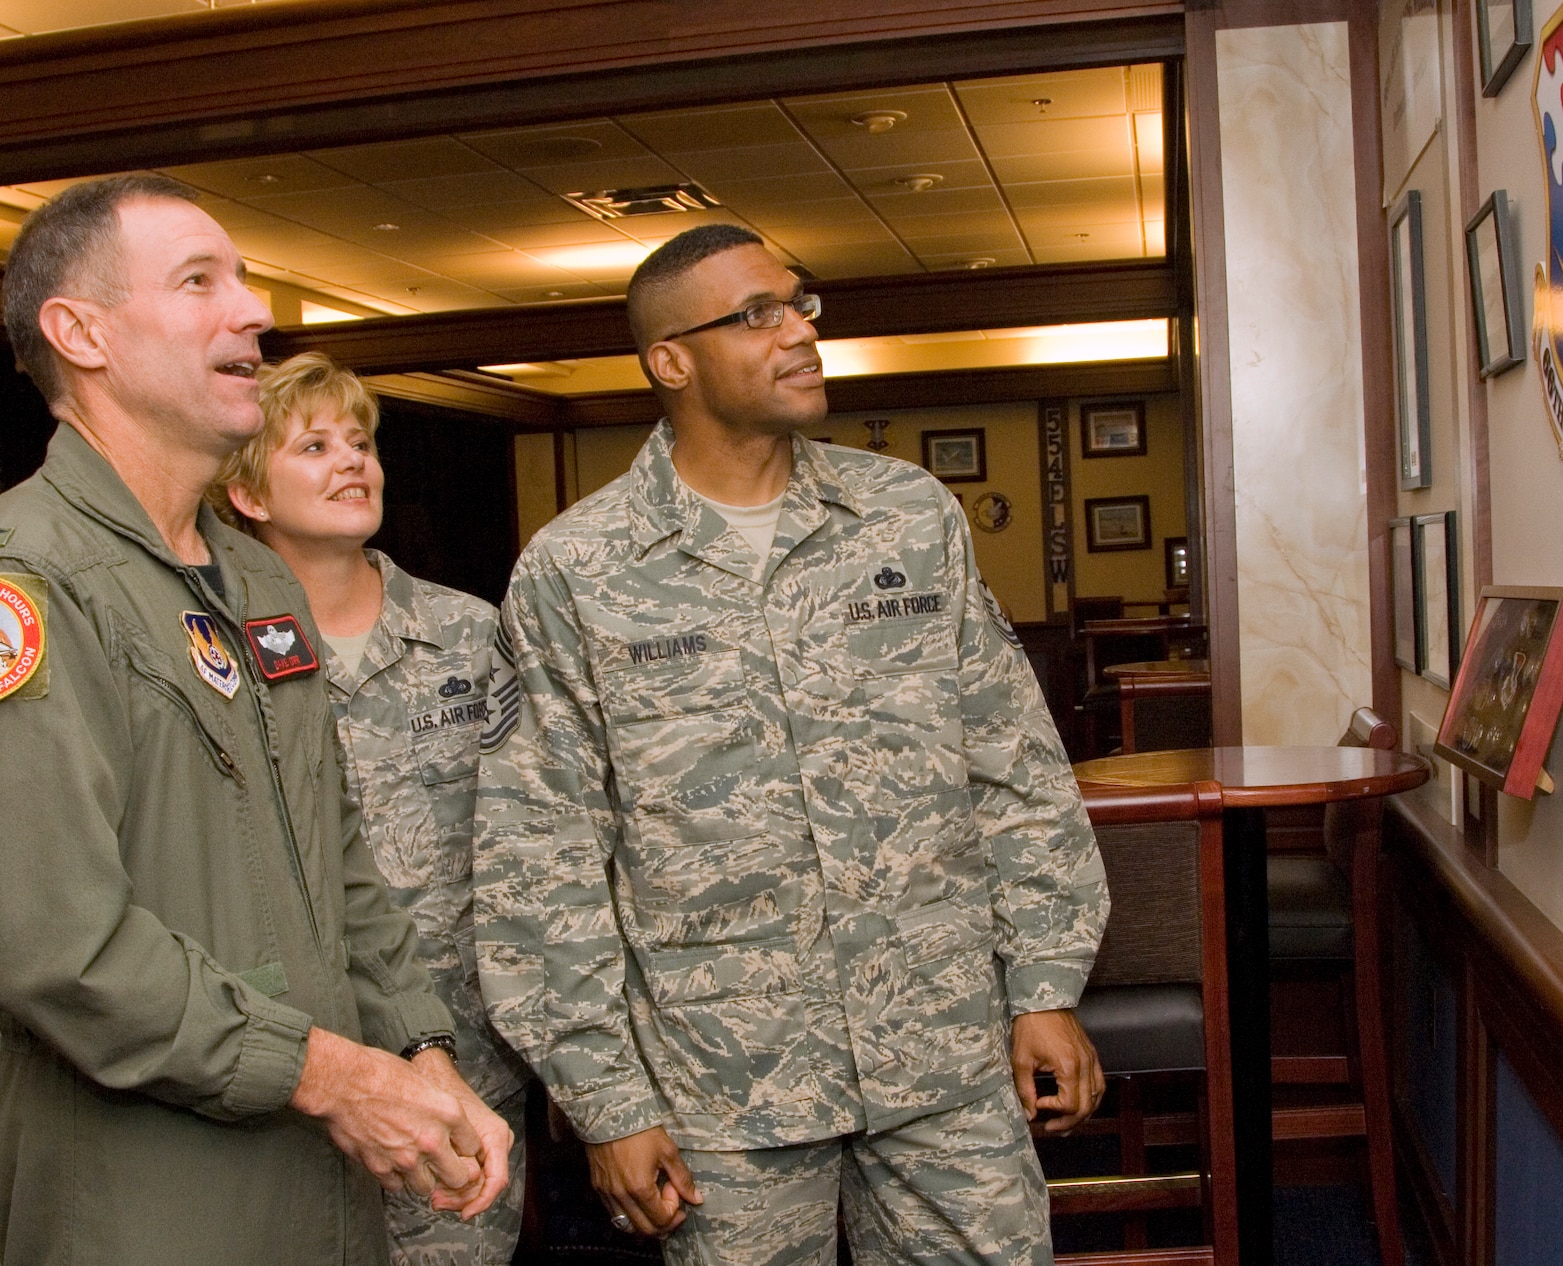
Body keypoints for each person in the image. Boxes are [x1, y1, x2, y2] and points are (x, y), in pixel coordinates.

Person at [476, 223, 1107, 1265]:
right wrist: (605, 1098)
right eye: (755, 315)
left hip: (941, 1047)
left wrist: (1042, 983)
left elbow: (1012, 763)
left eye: (799, 305)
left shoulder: (904, 518)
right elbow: (540, 856)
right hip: (727, 1081)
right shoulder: (575, 571)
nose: (799, 333)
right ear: (669, 360)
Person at [0, 175, 510, 1264]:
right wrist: (332, 1076)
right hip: (153, 1197)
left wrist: (418, 1048)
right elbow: (57, 943)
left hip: (326, 1190)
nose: (254, 311)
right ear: (80, 332)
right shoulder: (30, 583)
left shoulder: (257, 584)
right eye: (200, 282)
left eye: (244, 278)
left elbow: (340, 860)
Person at [212, 352, 532, 1265]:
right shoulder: (211, 648)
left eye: (361, 442)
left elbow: (534, 842)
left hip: (459, 1067)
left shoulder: (469, 634)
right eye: (313, 445)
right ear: (247, 491)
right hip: (284, 1077)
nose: (353, 461)